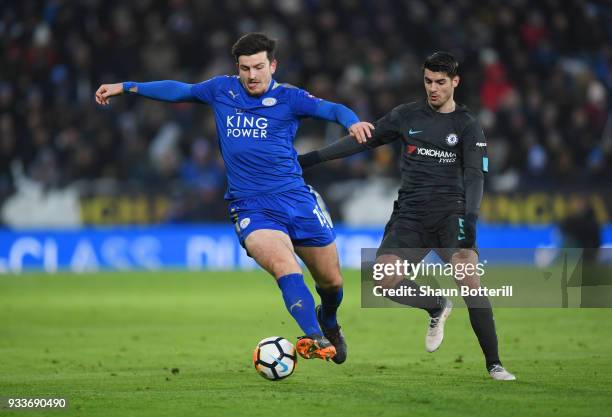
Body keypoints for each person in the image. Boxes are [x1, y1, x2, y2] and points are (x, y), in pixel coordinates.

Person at [95, 33, 375, 364]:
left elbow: (333, 109)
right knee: (285, 266)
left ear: (273, 65)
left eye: (259, 67)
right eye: (245, 68)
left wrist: (353, 123)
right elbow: (179, 91)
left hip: (297, 200)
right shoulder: (221, 90)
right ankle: (313, 336)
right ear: (237, 68)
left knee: (331, 283)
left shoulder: (290, 98)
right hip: (251, 207)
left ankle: (328, 320)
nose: (252, 76)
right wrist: (127, 86)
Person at [299, 52, 516, 380]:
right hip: (410, 216)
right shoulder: (406, 116)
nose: (433, 88)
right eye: (428, 81)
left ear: (455, 82)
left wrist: (470, 218)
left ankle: (495, 364)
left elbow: (475, 176)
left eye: (440, 82)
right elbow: (363, 140)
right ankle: (435, 306)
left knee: (469, 281)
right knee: (383, 280)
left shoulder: (467, 125)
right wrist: (312, 159)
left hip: (451, 215)